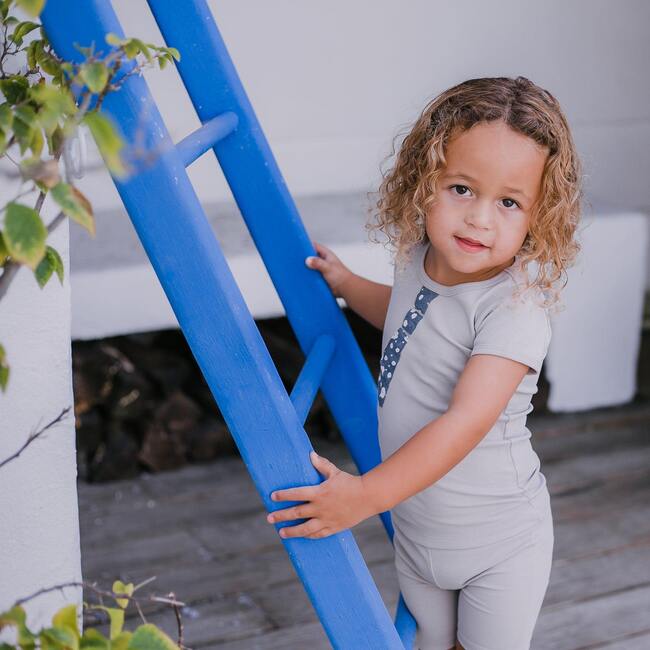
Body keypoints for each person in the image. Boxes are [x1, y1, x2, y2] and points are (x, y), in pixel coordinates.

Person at [265, 76, 583, 650]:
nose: (479, 219)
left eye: (508, 202)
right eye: (462, 188)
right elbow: (407, 318)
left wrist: (363, 497)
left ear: (539, 216)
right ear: (424, 178)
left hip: (498, 544)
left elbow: (463, 424)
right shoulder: (420, 257)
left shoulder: (513, 311)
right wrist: (345, 285)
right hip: (420, 534)